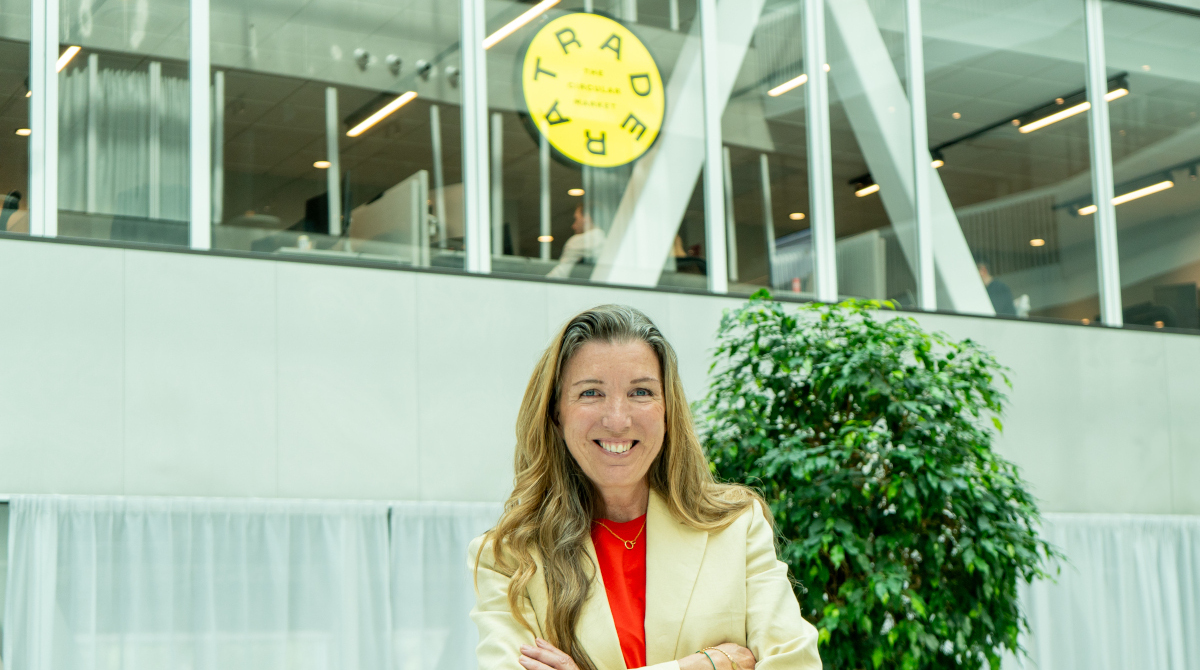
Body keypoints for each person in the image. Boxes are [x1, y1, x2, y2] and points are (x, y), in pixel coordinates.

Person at [469, 305, 821, 670]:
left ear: (668, 410)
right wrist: (701, 666)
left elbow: (797, 665)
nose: (617, 420)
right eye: (591, 393)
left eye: (640, 391)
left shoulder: (737, 526)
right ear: (556, 414)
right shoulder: (509, 558)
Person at [547, 205, 606, 279]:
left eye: (576, 219)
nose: (573, 226)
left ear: (587, 218)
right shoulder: (607, 242)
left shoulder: (579, 240)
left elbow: (561, 273)